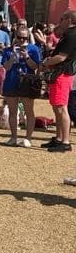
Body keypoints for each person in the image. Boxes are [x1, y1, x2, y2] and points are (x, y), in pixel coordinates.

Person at [41, 10, 76, 152]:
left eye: (62, 18)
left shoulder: (72, 35)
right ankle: (58, 137)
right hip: (59, 73)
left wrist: (46, 62)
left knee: (61, 108)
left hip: (62, 73)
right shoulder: (68, 34)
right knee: (57, 107)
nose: (60, 21)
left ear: (68, 19)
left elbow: (61, 57)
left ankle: (65, 141)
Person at [1, 25, 41, 147]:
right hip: (11, 81)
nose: (22, 40)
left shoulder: (33, 49)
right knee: (13, 111)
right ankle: (13, 137)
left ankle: (28, 138)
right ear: (15, 37)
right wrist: (13, 57)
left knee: (29, 111)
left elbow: (35, 67)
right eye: (19, 37)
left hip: (27, 82)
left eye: (25, 38)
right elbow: (5, 67)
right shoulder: (8, 50)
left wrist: (26, 56)